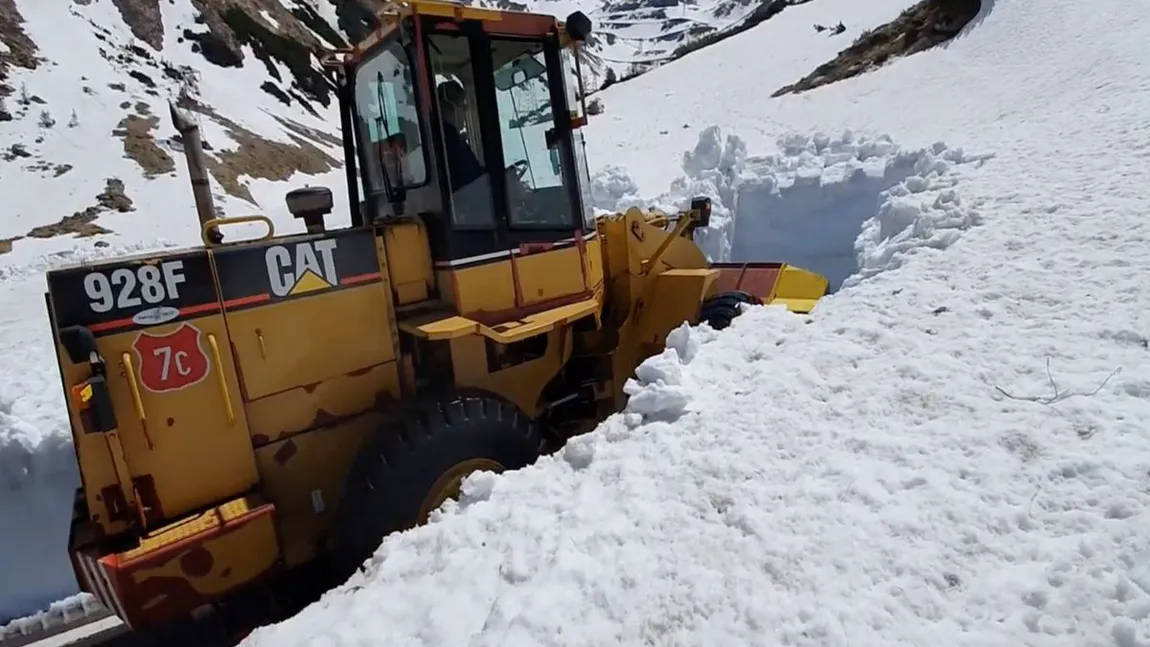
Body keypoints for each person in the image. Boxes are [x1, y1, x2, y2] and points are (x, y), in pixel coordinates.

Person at [436, 80, 484, 191]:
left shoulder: (448, 139)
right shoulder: (451, 144)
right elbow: (473, 181)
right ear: (452, 107)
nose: (466, 111)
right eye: (463, 106)